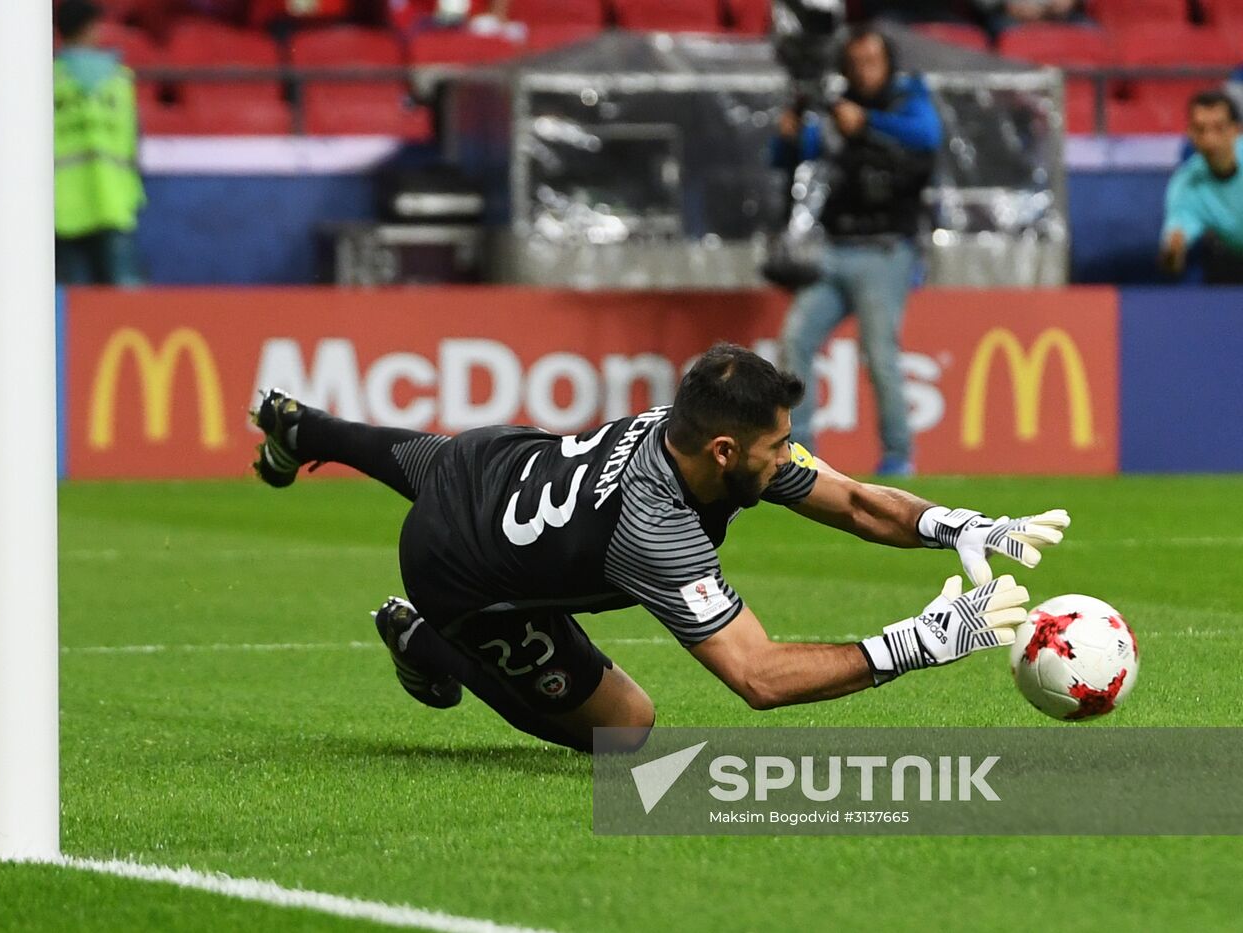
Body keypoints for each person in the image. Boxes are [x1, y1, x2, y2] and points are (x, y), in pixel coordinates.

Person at [250, 344, 1069, 754]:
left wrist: (958, 526)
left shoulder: (697, 439)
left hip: (490, 456)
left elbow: (854, 500)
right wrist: (917, 643)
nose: (790, 458)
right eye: (778, 447)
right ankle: (427, 637)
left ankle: (302, 427)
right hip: (455, 567)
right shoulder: (656, 526)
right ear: (722, 450)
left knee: (425, 459)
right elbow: (758, 675)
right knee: (627, 728)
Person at [775, 27, 941, 477]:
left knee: (879, 352)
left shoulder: (908, 99)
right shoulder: (837, 105)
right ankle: (797, 453)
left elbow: (928, 136)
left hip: (884, 250)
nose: (865, 69)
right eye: (857, 61)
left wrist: (865, 123)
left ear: (888, 62)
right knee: (795, 338)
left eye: (873, 59)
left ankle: (898, 456)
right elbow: (798, 151)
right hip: (835, 248)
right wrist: (788, 135)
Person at [53, 0, 146, 287]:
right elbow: (133, 138)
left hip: (61, 200)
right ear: (90, 29)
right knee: (123, 303)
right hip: (112, 195)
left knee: (69, 302)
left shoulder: (45, 79)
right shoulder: (119, 79)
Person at [1160, 90, 1243, 285]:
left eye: (1218, 128)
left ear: (1236, 131)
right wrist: (1173, 253)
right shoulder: (1185, 185)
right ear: (1190, 134)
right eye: (1200, 129)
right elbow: (1173, 256)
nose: (1209, 139)